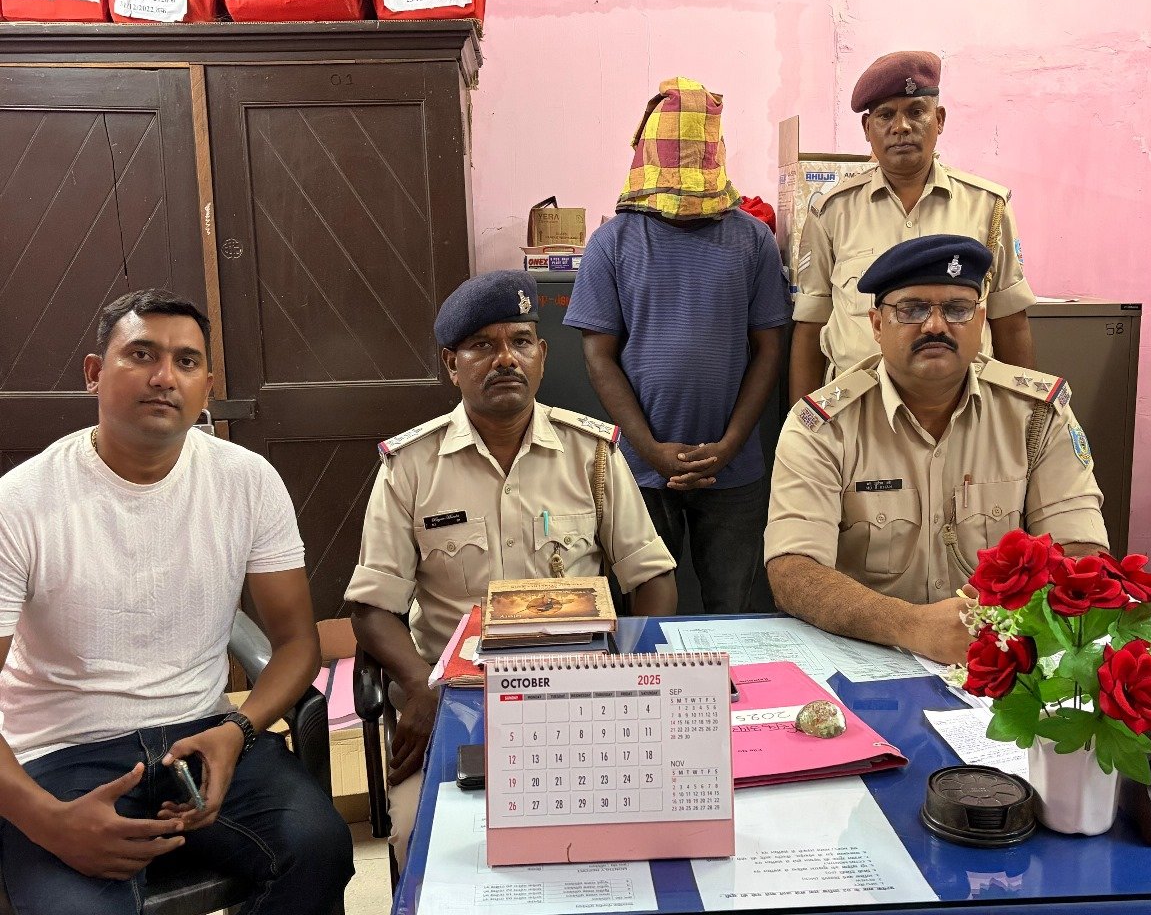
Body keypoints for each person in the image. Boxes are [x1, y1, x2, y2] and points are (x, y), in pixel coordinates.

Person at [0, 289, 352, 914]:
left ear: (206, 387)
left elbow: (298, 643)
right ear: (93, 373)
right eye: (142, 354)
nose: (165, 377)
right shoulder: (21, 503)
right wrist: (48, 821)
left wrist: (239, 729)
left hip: (200, 732)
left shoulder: (246, 481)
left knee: (318, 848)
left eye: (186, 362)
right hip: (59, 756)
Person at [344, 270, 677, 865]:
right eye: (482, 346)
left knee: (629, 828)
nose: (505, 359)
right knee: (424, 837)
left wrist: (628, 676)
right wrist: (420, 688)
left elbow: (650, 575)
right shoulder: (410, 465)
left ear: (542, 355)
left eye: (520, 341)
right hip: (456, 699)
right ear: (452, 364)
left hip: (581, 695)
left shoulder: (592, 454)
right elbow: (372, 608)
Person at [767, 236, 1107, 665]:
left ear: (980, 320)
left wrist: (1002, 623)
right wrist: (912, 626)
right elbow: (793, 571)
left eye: (957, 309)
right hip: (868, 656)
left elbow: (1081, 550)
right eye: (911, 309)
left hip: (1000, 654)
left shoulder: (1037, 416)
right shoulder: (823, 427)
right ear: (877, 325)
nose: (935, 326)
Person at [564, 76, 790, 613]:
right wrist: (649, 449)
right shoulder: (612, 242)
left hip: (733, 471)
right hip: (641, 472)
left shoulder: (752, 239)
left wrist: (730, 444)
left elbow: (769, 349)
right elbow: (599, 355)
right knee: (642, 617)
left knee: (732, 611)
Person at [789, 50, 1038, 404]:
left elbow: (1010, 324)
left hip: (963, 413)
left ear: (939, 119)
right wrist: (803, 424)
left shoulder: (987, 207)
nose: (901, 127)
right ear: (867, 128)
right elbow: (810, 328)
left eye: (916, 112)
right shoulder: (832, 212)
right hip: (858, 414)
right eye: (885, 115)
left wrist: (1023, 418)